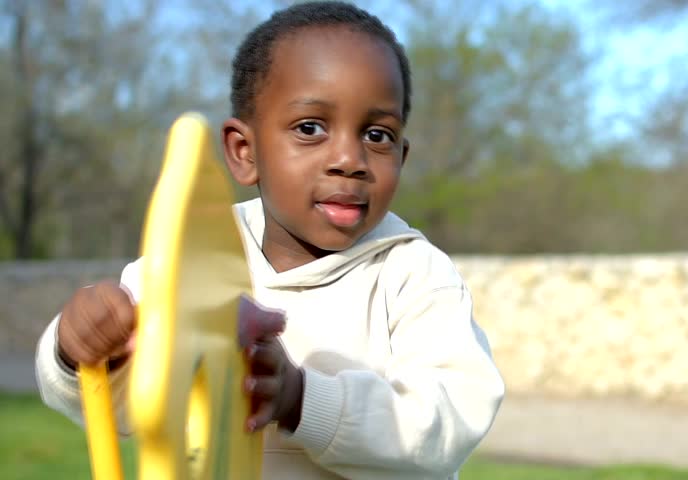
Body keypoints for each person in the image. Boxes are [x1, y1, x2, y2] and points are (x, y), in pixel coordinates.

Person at [33, 2, 505, 479]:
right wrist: (78, 350)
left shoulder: (413, 274)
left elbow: (451, 420)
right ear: (245, 151)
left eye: (377, 135)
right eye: (310, 128)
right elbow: (133, 403)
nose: (349, 158)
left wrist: (302, 398)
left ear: (401, 157)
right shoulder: (193, 258)